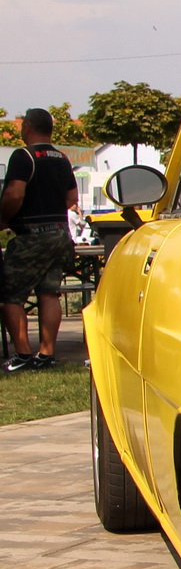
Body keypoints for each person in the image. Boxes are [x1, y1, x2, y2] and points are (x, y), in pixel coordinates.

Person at [0, 108, 78, 372]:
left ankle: (22, 355)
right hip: (60, 233)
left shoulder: (23, 156)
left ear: (27, 128)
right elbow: (71, 199)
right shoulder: (61, 158)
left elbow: (14, 194)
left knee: (10, 293)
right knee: (49, 292)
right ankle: (46, 354)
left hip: (32, 235)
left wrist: (5, 218)